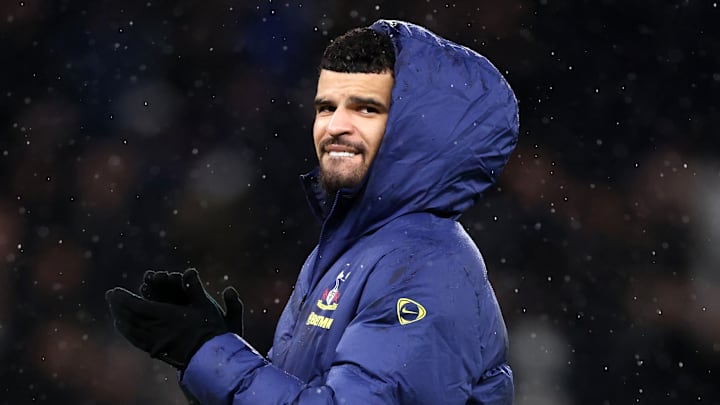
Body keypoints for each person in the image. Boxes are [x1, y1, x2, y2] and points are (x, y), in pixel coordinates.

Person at [106, 19, 519, 404]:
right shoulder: (356, 250)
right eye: (326, 107)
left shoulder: (424, 266)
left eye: (366, 108)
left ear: (418, 133)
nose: (334, 126)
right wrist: (217, 354)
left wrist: (209, 352)